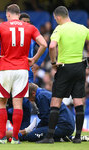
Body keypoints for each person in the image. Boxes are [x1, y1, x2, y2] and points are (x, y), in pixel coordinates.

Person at [0, 4, 47, 144]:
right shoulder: (29, 27)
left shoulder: (1, 26)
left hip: (5, 68)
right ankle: (15, 138)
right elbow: (43, 44)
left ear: (8, 14)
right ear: (19, 15)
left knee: (1, 102)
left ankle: (1, 138)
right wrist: (34, 59)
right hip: (22, 69)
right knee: (18, 103)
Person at [37, 6, 89, 144]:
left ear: (58, 17)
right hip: (80, 66)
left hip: (65, 67)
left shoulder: (59, 29)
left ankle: (49, 137)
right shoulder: (82, 28)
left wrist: (53, 62)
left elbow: (52, 46)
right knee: (78, 101)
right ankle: (77, 137)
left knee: (55, 101)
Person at [19, 13, 49, 83]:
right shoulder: (12, 34)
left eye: (28, 22)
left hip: (28, 70)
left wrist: (37, 63)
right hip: (15, 69)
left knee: (28, 92)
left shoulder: (32, 35)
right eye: (24, 22)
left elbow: (45, 48)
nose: (26, 24)